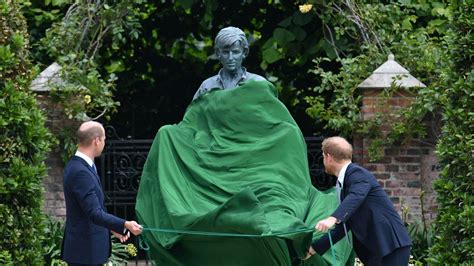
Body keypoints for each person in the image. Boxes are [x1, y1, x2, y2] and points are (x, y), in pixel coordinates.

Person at [305, 136, 411, 265]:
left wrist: (332, 218)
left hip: (390, 246)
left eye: (323, 157)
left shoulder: (357, 174)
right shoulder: (346, 181)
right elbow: (342, 227)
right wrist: (313, 249)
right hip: (378, 250)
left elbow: (357, 195)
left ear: (328, 157)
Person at [61, 121, 143, 265]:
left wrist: (112, 227)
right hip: (85, 254)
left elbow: (89, 210)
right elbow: (94, 213)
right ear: (97, 141)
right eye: (104, 139)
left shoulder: (84, 166)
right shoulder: (80, 172)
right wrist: (125, 224)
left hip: (88, 252)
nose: (104, 143)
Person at [192, 26, 266, 100]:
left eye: (236, 52)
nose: (230, 58)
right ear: (218, 53)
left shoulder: (259, 83)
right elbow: (195, 110)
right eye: (225, 52)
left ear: (244, 52)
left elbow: (271, 109)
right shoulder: (207, 86)